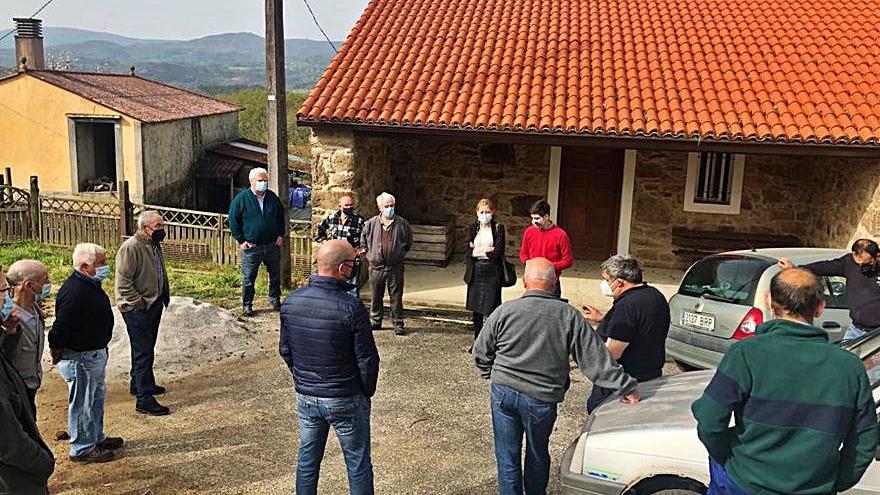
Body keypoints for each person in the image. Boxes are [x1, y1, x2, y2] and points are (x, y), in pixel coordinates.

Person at [692, 267, 878, 495]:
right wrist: (836, 481)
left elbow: (710, 421)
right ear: (820, 307)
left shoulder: (746, 354)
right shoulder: (850, 367)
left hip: (745, 482)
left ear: (769, 301)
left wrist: (729, 461)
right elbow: (864, 440)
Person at [473, 258, 639, 495]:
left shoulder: (504, 311)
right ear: (554, 282)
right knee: (537, 452)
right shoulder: (568, 317)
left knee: (506, 454)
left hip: (503, 392)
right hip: (541, 399)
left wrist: (491, 373)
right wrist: (627, 387)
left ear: (524, 282)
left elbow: (481, 352)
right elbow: (595, 360)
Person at [279, 239, 380, 495]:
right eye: (354, 263)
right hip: (345, 396)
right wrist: (365, 391)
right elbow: (367, 359)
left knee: (307, 461)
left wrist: (303, 378)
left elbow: (286, 349)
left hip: (307, 396)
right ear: (343, 268)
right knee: (357, 463)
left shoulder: (291, 302)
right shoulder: (352, 307)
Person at [48, 243, 122, 464]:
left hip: (94, 354)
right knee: (82, 404)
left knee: (95, 400)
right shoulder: (75, 292)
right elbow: (59, 330)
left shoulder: (89, 284)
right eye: (100, 263)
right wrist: (55, 352)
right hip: (80, 357)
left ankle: (96, 438)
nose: (105, 267)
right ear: (84, 266)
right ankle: (81, 448)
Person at [581, 255, 670, 412]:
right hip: (651, 373)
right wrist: (604, 319)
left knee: (598, 414)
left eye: (607, 280)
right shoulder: (655, 295)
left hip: (623, 382)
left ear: (620, 282)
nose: (605, 284)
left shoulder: (627, 307)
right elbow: (639, 326)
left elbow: (612, 353)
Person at [0, 266, 54, 495]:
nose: (7, 295)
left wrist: (8, 333)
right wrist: (42, 463)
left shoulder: (30, 312)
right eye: (3, 290)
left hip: (25, 388)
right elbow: (10, 441)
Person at [116, 210, 171, 416]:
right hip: (138, 308)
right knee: (143, 351)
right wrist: (139, 304)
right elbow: (123, 284)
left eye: (162, 226)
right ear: (144, 228)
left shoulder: (153, 244)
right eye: (158, 226)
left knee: (146, 348)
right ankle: (144, 398)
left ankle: (138, 383)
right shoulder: (131, 248)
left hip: (154, 303)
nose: (162, 230)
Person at [780, 238, 880, 340]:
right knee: (843, 355)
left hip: (877, 333)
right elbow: (823, 267)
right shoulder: (849, 262)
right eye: (858, 263)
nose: (861, 267)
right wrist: (796, 269)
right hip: (856, 330)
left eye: (865, 264)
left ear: (877, 257)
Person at [228, 167, 286, 317]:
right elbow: (233, 220)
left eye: (265, 181)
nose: (263, 183)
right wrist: (241, 240)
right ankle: (247, 304)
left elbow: (281, 218)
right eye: (260, 181)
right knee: (248, 278)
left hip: (272, 245)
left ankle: (274, 299)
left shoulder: (273, 198)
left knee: (275, 275)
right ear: (252, 181)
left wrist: (281, 234)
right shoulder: (241, 199)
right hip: (252, 247)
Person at [2, 260, 51, 418]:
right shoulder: (10, 318)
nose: (49, 285)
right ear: (29, 286)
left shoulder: (34, 308)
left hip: (31, 383)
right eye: (45, 281)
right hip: (15, 387)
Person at [361, 192, 413, 335]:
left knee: (396, 297)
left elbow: (408, 242)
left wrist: (398, 254)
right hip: (376, 267)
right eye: (387, 206)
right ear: (380, 208)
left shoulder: (402, 223)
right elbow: (364, 242)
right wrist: (371, 256)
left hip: (395, 267)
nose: (390, 208)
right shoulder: (370, 224)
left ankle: (398, 323)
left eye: (392, 205)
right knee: (375, 296)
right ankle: (375, 321)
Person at [464, 198, 506, 340]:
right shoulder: (472, 228)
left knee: (492, 308)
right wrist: (486, 250)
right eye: (481, 212)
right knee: (476, 309)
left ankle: (491, 341)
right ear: (477, 213)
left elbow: (497, 253)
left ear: (492, 212)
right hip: (476, 270)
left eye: (487, 211)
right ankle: (477, 340)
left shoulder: (498, 228)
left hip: (492, 271)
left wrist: (478, 249)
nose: (484, 214)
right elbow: (468, 252)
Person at [519, 199, 572, 298]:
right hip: (532, 281)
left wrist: (548, 266)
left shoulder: (561, 235)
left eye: (537, 218)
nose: (534, 222)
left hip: (551, 282)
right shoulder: (529, 232)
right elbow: (523, 253)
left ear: (546, 217)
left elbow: (568, 261)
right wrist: (528, 263)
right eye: (532, 218)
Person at [315, 195, 367, 296]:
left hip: (351, 262)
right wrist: (325, 243)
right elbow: (318, 231)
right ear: (340, 206)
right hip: (334, 261)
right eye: (346, 205)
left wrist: (361, 250)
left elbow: (368, 238)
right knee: (332, 288)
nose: (349, 207)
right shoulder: (332, 218)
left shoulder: (359, 221)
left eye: (351, 205)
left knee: (352, 290)